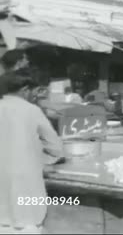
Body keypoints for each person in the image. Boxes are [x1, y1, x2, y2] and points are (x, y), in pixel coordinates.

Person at [0, 72, 64, 234]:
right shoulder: (31, 110)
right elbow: (56, 147)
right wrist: (45, 160)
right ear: (25, 90)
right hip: (26, 195)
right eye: (34, 91)